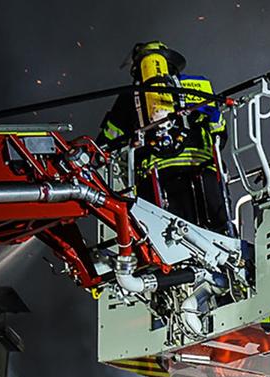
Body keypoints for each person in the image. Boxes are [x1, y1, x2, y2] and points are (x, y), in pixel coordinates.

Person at [99, 41, 233, 236]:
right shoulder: (199, 85)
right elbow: (220, 133)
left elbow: (106, 144)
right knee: (220, 234)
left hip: (156, 182)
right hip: (205, 175)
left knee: (163, 240)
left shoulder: (128, 98)